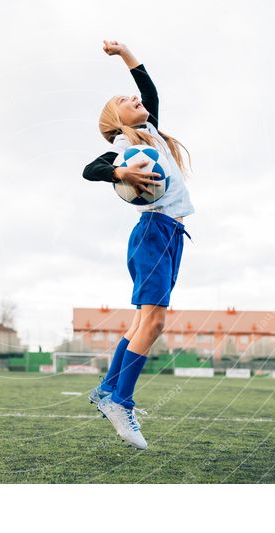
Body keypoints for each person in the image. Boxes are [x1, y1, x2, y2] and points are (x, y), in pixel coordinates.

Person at [81, 40, 195, 450]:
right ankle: (120, 400)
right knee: (154, 321)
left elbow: (150, 92)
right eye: (125, 101)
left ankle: (108, 389)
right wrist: (120, 174)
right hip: (152, 232)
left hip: (171, 234)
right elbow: (89, 169)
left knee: (141, 323)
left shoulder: (150, 135)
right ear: (117, 118)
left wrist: (127, 54)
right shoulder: (128, 149)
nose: (135, 99)